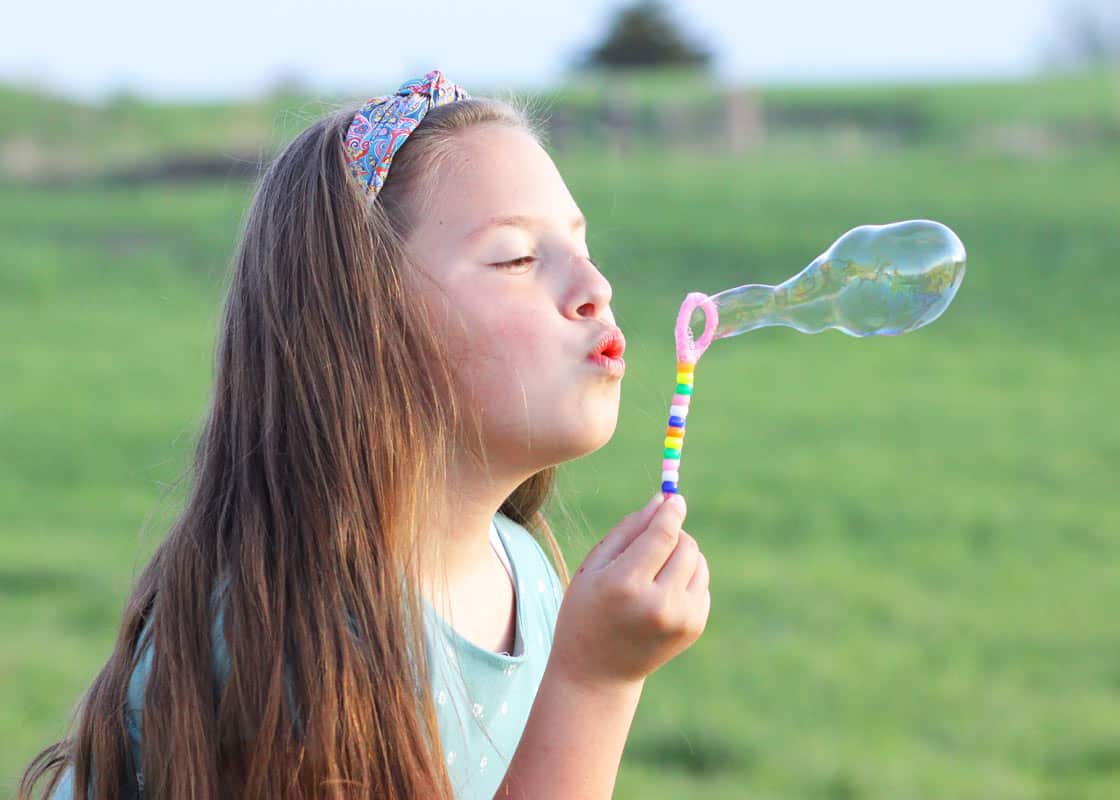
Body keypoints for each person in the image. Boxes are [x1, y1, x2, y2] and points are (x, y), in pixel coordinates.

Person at [19, 69, 711, 800]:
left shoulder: (528, 577)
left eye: (581, 243)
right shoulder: (275, 635)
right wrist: (593, 682)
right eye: (516, 257)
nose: (595, 285)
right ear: (367, 331)